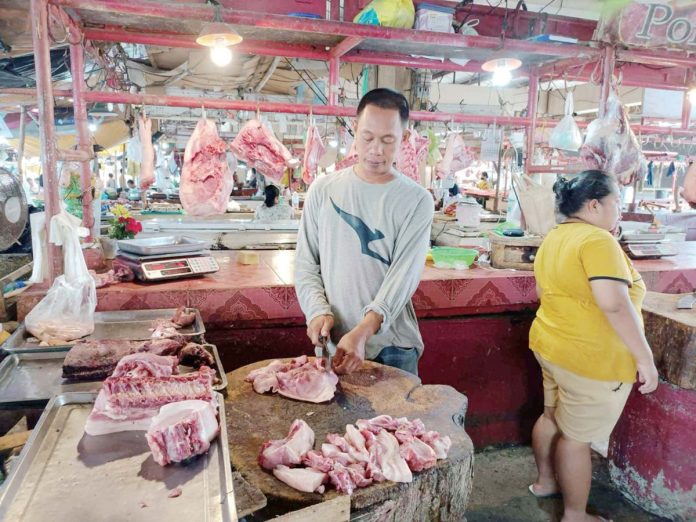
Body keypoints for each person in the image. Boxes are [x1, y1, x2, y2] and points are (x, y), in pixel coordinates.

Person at [528, 170, 659, 522]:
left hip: (551, 345)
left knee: (550, 416)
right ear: (595, 204)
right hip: (589, 359)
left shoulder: (556, 236)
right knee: (576, 439)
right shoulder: (599, 242)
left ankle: (545, 482)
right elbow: (614, 303)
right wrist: (644, 357)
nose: (620, 210)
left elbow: (544, 293)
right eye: (618, 202)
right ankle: (575, 514)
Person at [295, 88, 434, 376]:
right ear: (355, 129)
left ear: (404, 139)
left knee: (396, 423)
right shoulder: (323, 189)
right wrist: (317, 311)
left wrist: (365, 329)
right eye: (368, 137)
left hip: (392, 348)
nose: (376, 150)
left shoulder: (417, 200)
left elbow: (403, 277)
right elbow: (306, 263)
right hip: (336, 345)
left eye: (387, 140)